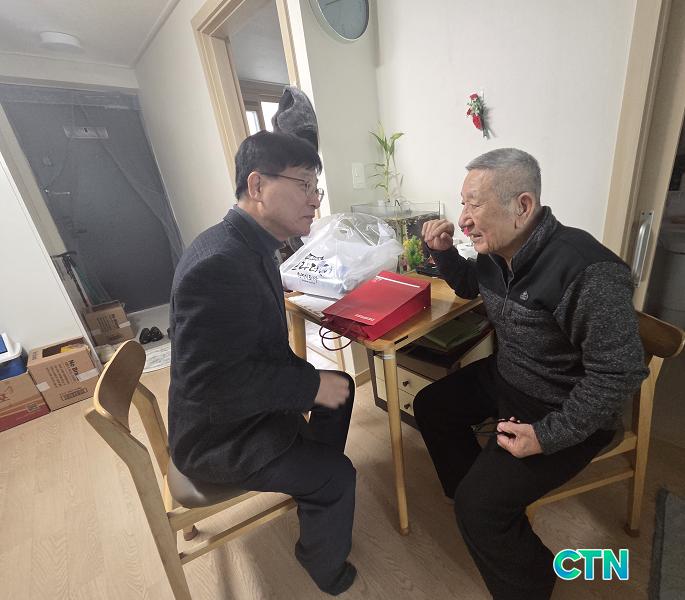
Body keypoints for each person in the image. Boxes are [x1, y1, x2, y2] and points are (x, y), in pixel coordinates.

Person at [414, 148, 648, 599]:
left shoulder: (588, 271)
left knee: (479, 509)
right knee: (432, 406)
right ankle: (481, 506)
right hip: (509, 376)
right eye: (462, 203)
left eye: (475, 204)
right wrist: (442, 254)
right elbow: (470, 284)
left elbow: (618, 374)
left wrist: (545, 436)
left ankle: (529, 576)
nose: (463, 219)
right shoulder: (495, 250)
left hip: (562, 407)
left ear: (523, 206)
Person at [168, 130, 357, 596]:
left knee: (341, 387)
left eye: (316, 187)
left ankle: (311, 482)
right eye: (303, 185)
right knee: (340, 476)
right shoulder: (220, 264)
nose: (314, 199)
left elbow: (257, 350)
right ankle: (323, 563)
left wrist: (312, 384)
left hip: (241, 410)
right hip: (219, 436)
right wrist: (308, 387)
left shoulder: (245, 244)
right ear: (257, 185)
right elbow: (214, 385)